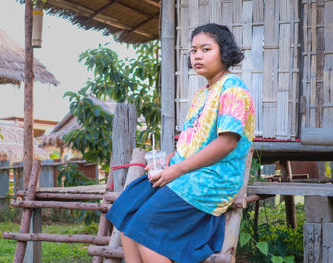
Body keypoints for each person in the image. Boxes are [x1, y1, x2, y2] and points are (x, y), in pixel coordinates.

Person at [106, 23, 255, 263]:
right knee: (126, 209)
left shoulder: (233, 91)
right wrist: (170, 159)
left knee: (147, 230)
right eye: (194, 50)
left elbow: (226, 143)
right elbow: (193, 140)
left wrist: (177, 169)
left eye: (206, 49)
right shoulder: (203, 93)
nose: (197, 55)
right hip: (183, 172)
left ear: (224, 52)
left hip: (210, 179)